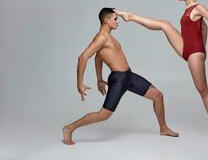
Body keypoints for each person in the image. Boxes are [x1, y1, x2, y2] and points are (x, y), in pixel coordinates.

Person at [115, 0, 208, 140]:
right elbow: (203, 28)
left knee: (202, 90)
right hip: (186, 47)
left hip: (194, 53)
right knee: (164, 24)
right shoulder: (187, 11)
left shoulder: (198, 8)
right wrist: (202, 46)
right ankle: (130, 16)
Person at [63, 8, 178, 145]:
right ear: (106, 20)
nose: (117, 22)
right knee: (103, 115)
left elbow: (99, 57)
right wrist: (79, 83)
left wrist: (99, 79)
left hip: (129, 76)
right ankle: (69, 128)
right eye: (115, 19)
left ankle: (163, 128)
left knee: (158, 96)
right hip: (118, 80)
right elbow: (83, 57)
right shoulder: (102, 37)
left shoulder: (108, 37)